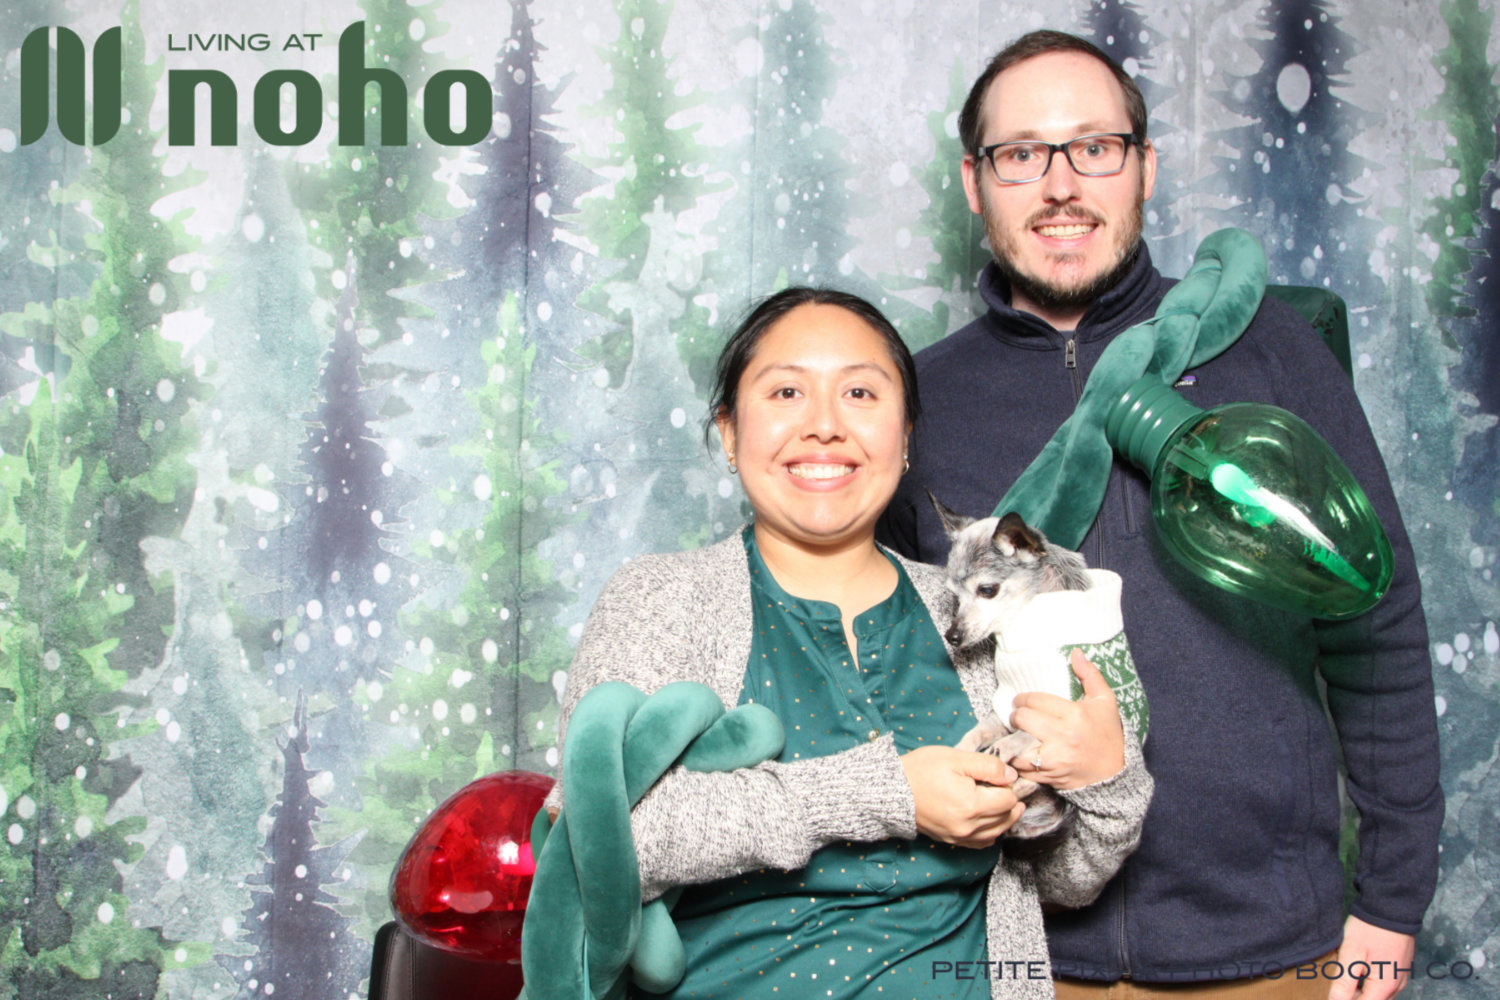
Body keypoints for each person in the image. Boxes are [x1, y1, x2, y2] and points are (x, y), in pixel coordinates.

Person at [878, 30, 1443, 1000]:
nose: (1061, 184)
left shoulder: (1269, 351)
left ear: (1146, 166)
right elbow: (883, 673)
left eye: (1095, 147)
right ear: (975, 181)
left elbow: (1375, 620)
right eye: (1022, 153)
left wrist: (1392, 902)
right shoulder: (916, 402)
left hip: (1274, 949)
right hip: (1014, 954)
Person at [545, 287, 1153, 999]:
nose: (825, 426)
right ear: (730, 433)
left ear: (905, 436)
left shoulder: (982, 612)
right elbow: (592, 843)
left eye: (860, 392)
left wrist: (1107, 782)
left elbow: (1064, 880)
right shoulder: (661, 599)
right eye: (787, 392)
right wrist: (887, 793)